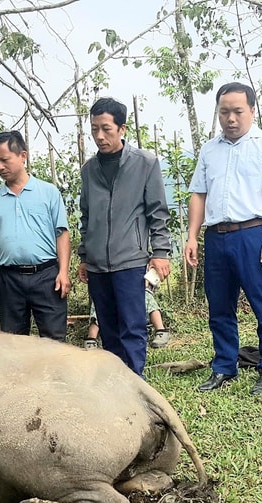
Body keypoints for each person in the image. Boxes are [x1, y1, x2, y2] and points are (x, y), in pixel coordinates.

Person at [184, 82, 262, 396]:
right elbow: (198, 194)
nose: (230, 118)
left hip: (253, 236)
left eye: (237, 111)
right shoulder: (209, 149)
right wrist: (192, 236)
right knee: (219, 307)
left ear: (252, 111)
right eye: (224, 111)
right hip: (216, 238)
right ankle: (224, 366)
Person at [77, 97, 171, 377]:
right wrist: (84, 256)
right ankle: (118, 380)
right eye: (94, 129)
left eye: (106, 128)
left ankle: (135, 380)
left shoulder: (145, 163)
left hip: (130, 259)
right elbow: (86, 216)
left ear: (122, 129)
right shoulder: (89, 169)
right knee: (107, 326)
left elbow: (158, 212)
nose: (99, 136)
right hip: (97, 263)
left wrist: (161, 253)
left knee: (132, 325)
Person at [0, 130, 71, 340]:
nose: (0, 167)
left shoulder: (48, 193)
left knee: (54, 340)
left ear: (23, 156)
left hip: (47, 276)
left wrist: (63, 271)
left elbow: (61, 234)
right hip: (9, 279)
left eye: (5, 160)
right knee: (12, 342)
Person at [85, 277, 171, 349]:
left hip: (136, 297)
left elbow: (150, 281)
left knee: (147, 297)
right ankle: (91, 338)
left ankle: (161, 330)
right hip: (114, 299)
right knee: (100, 301)